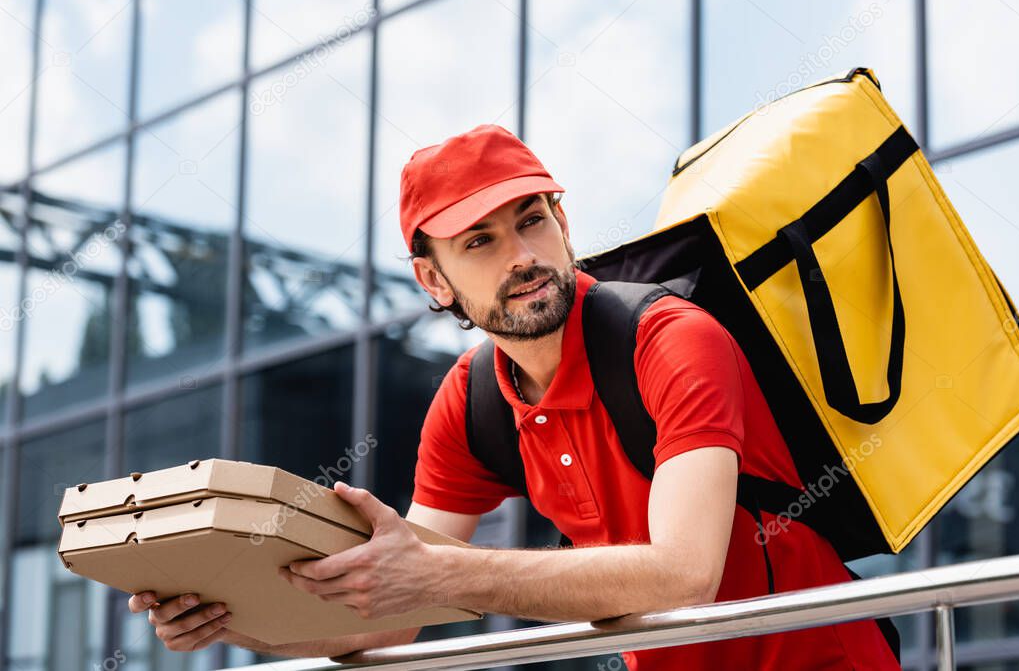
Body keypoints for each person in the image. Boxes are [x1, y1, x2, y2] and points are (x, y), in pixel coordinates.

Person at [128, 124, 900, 669]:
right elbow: (394, 625)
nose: (524, 256)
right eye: (480, 242)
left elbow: (684, 573)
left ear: (563, 221)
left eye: (532, 220)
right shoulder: (470, 403)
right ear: (433, 280)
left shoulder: (671, 339)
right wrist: (236, 616)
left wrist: (435, 573)